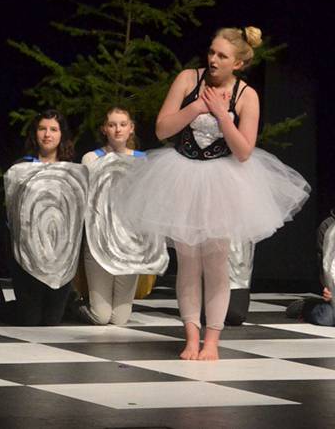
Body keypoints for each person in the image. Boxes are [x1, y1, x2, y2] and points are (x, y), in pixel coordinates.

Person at [116, 27, 310, 360]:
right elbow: (163, 129)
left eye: (222, 55)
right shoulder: (189, 79)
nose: (213, 59)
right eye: (211, 52)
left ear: (238, 63)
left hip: (224, 176)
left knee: (217, 263)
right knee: (188, 262)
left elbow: (244, 150)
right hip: (184, 172)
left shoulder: (246, 95)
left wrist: (222, 116)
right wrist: (195, 110)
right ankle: (191, 338)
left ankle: (212, 342)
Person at [0, 109, 85, 326]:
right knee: (29, 319)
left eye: (53, 129)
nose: (47, 134)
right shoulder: (21, 168)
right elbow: (11, 212)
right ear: (35, 133)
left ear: (62, 135)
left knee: (51, 320)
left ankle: (64, 300)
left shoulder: (73, 172)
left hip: (60, 255)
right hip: (26, 254)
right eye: (42, 129)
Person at [78, 107, 149, 326]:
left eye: (122, 124)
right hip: (99, 242)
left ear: (131, 128)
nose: (118, 129)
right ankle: (75, 305)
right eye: (112, 124)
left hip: (128, 243)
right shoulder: (91, 158)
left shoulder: (142, 160)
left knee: (119, 319)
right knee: (101, 317)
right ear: (104, 129)